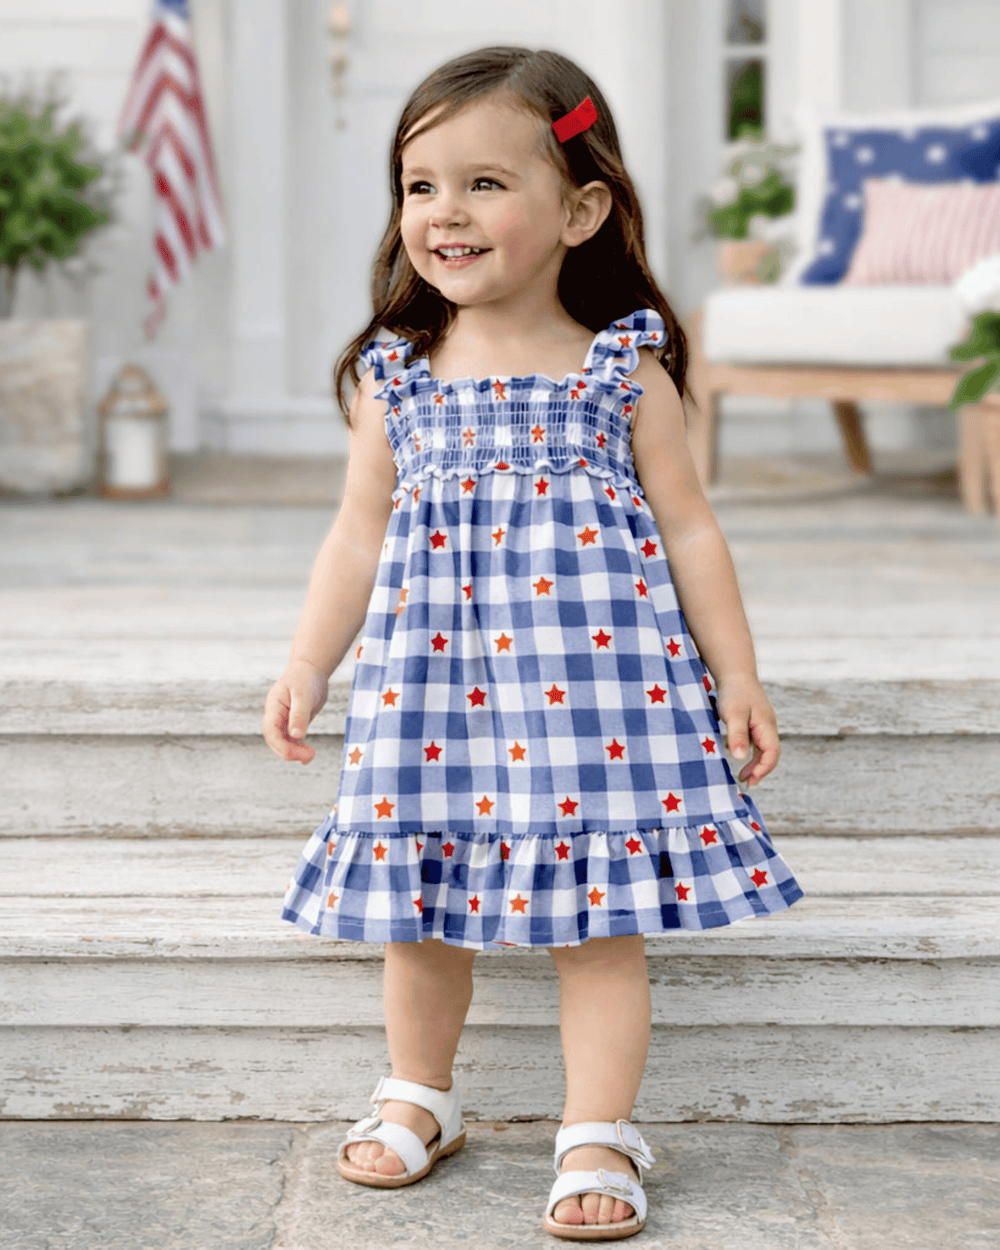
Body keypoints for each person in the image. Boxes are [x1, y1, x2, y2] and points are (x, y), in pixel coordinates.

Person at [263, 45, 804, 1241]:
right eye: (420, 185)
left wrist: (737, 673)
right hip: (429, 693)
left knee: (598, 921)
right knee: (418, 909)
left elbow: (691, 527)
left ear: (580, 209)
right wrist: (308, 660)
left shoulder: (622, 371)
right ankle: (420, 1090)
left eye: (484, 183)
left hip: (598, 693)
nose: (444, 212)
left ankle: (597, 1125)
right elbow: (356, 534)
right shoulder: (396, 378)